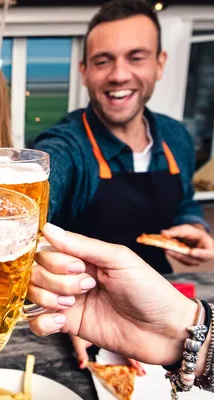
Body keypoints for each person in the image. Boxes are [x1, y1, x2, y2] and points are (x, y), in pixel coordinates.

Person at [32, 0, 214, 370]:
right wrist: (63, 296)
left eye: (136, 57)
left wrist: (194, 226)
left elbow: (184, 201)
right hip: (87, 319)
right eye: (103, 61)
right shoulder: (67, 146)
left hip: (166, 305)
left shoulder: (176, 136)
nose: (119, 75)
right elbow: (37, 200)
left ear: (160, 64)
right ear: (84, 71)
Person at [27, 222, 214, 394]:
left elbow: (184, 198)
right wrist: (177, 333)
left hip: (140, 285)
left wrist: (176, 333)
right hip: (73, 286)